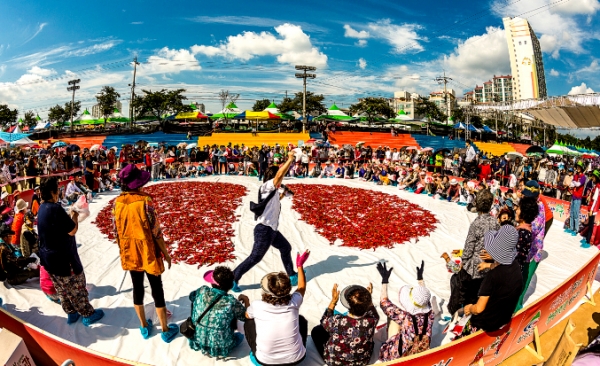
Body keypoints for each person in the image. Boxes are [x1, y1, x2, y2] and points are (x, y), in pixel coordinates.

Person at [113, 164, 179, 342]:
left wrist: (124, 249)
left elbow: (116, 231)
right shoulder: (145, 201)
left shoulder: (117, 203)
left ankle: (143, 326)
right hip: (147, 249)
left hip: (130, 250)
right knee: (157, 288)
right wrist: (165, 252)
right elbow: (156, 231)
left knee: (137, 287)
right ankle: (165, 330)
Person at [37, 177, 104, 326]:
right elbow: (72, 230)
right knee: (76, 286)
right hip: (63, 258)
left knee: (62, 288)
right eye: (58, 190)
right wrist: (74, 212)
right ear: (54, 192)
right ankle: (87, 314)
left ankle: (71, 313)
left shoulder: (42, 208)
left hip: (49, 260)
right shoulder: (55, 208)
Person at [232, 150, 299, 292]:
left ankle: (292, 275)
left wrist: (282, 195)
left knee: (285, 248)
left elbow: (271, 204)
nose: (281, 180)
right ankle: (234, 277)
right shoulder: (268, 185)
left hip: (272, 230)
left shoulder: (272, 190)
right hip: (264, 229)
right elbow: (280, 174)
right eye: (279, 177)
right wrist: (290, 159)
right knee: (255, 257)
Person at [245, 251, 309, 366]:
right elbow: (302, 286)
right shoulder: (294, 302)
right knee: (301, 320)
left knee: (249, 323)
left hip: (266, 361)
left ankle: (254, 353)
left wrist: (246, 302)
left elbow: (247, 316)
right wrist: (299, 265)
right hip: (296, 359)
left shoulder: (257, 305)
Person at [443, 189, 499, 316]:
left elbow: (469, 247)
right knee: (478, 293)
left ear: (477, 205)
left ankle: (457, 312)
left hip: (473, 268)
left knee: (461, 288)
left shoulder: (476, 223)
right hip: (488, 265)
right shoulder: (495, 222)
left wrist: (464, 260)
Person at [462, 225, 522, 334]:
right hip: (504, 319)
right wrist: (489, 265)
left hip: (487, 324)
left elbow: (479, 308)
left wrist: (470, 308)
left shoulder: (492, 276)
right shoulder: (516, 267)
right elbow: (502, 271)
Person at [311, 282, 379, 366]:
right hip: (361, 362)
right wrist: (368, 299)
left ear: (348, 304)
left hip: (335, 362)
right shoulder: (372, 320)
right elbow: (372, 311)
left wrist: (333, 301)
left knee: (317, 330)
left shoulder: (337, 320)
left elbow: (324, 320)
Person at [377, 261, 434, 361]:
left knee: (392, 318)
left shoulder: (405, 317)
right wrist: (420, 280)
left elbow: (384, 303)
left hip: (401, 356)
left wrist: (384, 281)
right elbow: (423, 300)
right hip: (421, 353)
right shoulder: (431, 315)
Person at [188, 266, 248, 357]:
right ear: (231, 285)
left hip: (197, 338)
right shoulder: (231, 302)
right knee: (240, 336)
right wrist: (246, 301)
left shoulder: (202, 290)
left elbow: (191, 297)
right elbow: (246, 317)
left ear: (212, 283)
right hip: (221, 344)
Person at [515, 180, 546, 309]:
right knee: (518, 278)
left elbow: (531, 229)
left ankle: (517, 306)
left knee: (524, 279)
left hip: (532, 252)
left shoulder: (538, 208)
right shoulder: (530, 206)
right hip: (524, 250)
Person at [567, 161, 586, 236]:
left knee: (576, 214)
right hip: (573, 196)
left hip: (578, 197)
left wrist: (574, 183)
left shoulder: (583, 177)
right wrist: (573, 183)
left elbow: (578, 184)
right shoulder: (575, 175)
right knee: (571, 212)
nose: (577, 168)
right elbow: (571, 184)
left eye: (579, 167)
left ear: (582, 168)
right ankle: (571, 228)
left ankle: (576, 229)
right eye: (577, 167)